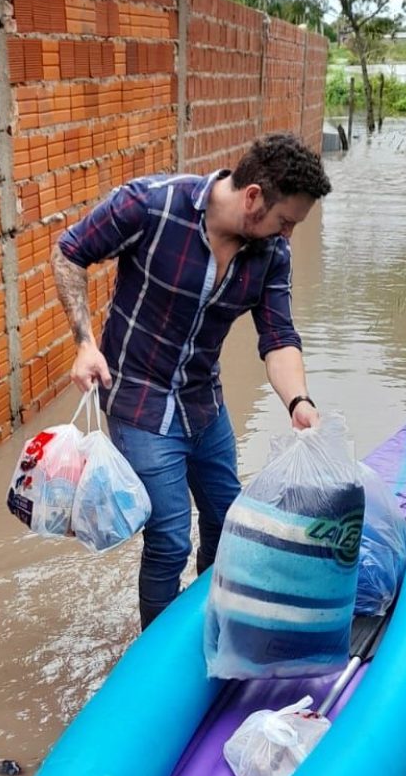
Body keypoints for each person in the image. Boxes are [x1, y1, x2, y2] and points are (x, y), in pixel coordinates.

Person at [52, 132, 331, 628]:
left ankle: (210, 624)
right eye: (285, 222)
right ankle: (156, 659)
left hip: (204, 402)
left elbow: (279, 336)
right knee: (170, 537)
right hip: (139, 400)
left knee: (228, 521)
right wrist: (84, 342)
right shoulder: (151, 205)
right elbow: (69, 252)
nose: (287, 237)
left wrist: (298, 402)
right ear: (252, 199)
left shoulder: (270, 256)